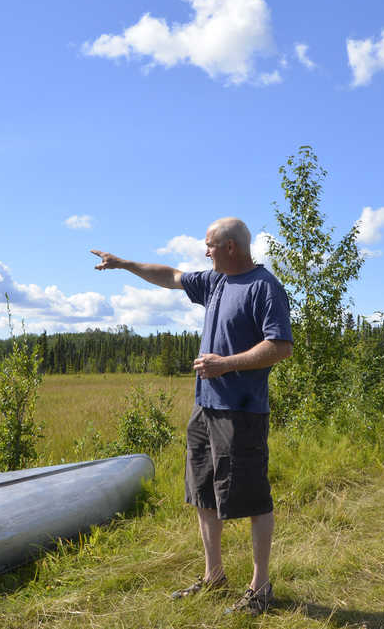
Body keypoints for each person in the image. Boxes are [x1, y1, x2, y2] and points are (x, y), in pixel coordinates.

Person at [91, 217, 293, 616]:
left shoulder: (263, 288)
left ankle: (261, 587)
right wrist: (125, 264)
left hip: (242, 412)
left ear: (230, 247)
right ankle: (213, 576)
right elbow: (170, 276)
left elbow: (280, 346)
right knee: (202, 493)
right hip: (205, 408)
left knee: (253, 499)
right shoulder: (216, 282)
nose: (205, 252)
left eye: (210, 245)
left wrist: (227, 364)